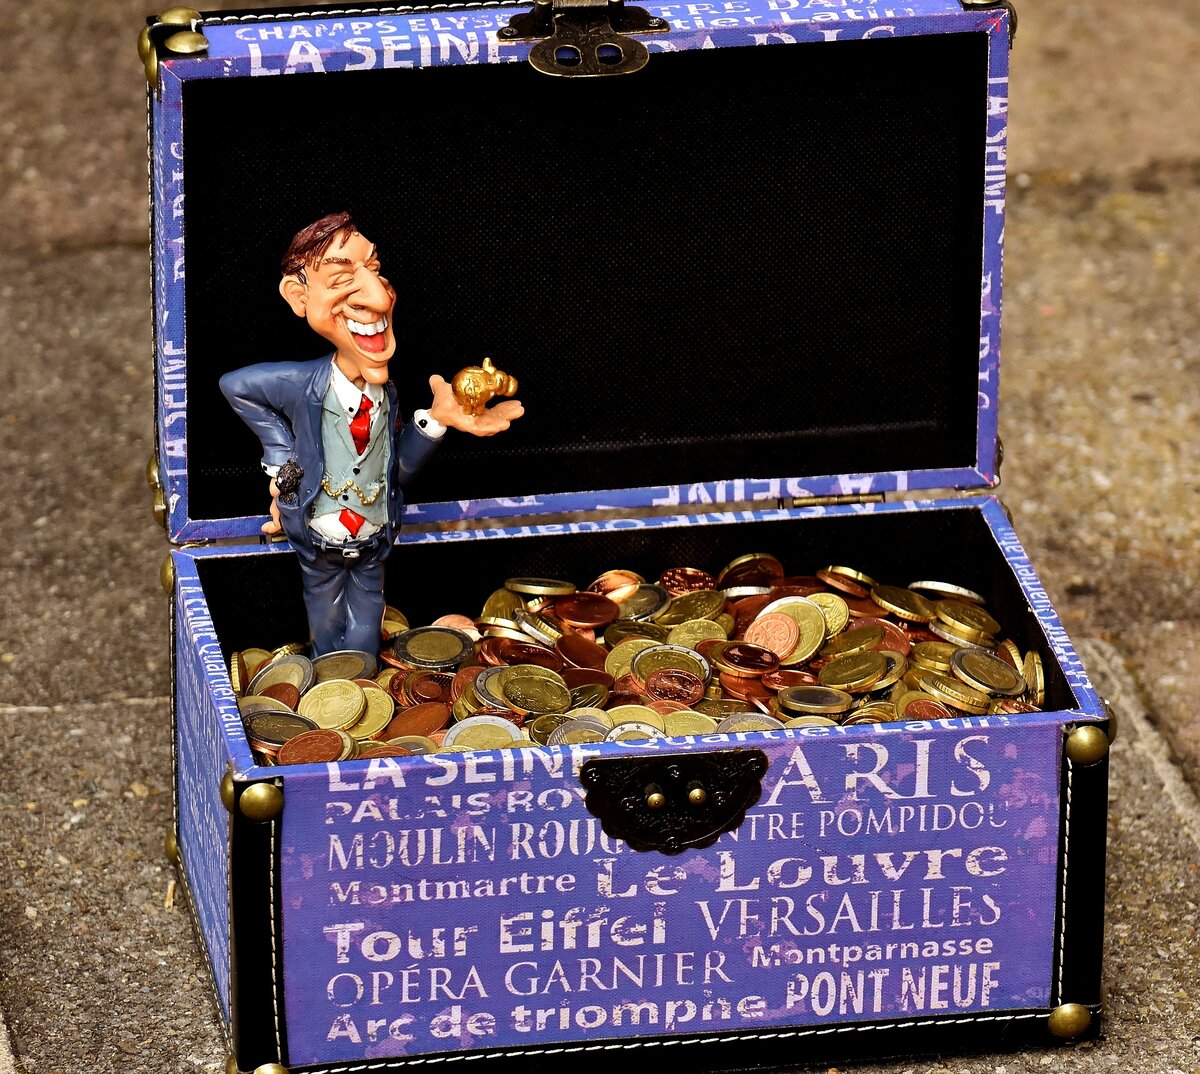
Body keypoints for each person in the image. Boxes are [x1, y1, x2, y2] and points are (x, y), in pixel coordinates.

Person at [220, 212, 523, 656]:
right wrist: (284, 466)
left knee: (368, 616)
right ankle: (329, 680)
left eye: (376, 270)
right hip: (318, 538)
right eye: (343, 278)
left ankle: (361, 680)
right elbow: (235, 387)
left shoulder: (389, 396)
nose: (379, 298)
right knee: (324, 617)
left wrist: (436, 420)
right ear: (299, 297)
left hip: (375, 539)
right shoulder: (301, 384)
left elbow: (395, 470)